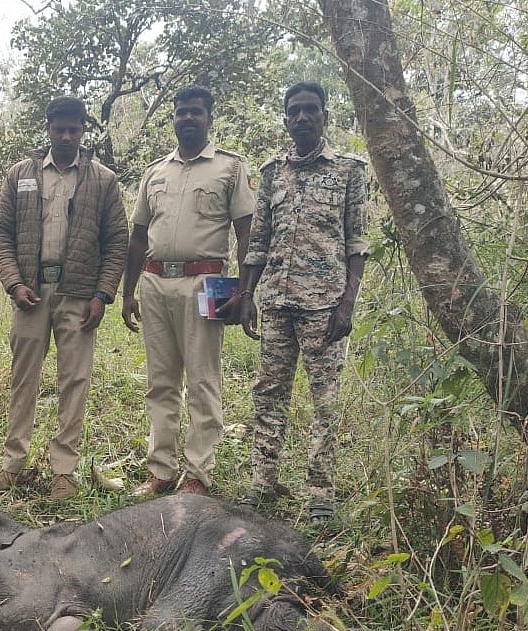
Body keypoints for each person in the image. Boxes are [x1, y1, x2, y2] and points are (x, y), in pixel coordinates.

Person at [235, 82, 369, 523]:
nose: (303, 117)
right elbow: (258, 240)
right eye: (295, 111)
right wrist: (248, 294)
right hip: (276, 301)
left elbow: (357, 244)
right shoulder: (272, 172)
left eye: (311, 109)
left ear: (325, 115)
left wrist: (347, 305)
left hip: (324, 308)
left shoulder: (349, 171)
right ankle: (262, 483)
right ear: (286, 119)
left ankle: (320, 494)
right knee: (268, 394)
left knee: (324, 401)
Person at [0, 96, 128, 501]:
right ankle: (13, 464)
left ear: (84, 130)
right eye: (59, 129)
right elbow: (1, 232)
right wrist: (14, 283)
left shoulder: (103, 179)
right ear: (48, 128)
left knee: (74, 381)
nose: (66, 136)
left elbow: (117, 240)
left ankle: (63, 471)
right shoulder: (20, 174)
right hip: (30, 293)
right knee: (23, 378)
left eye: (74, 129)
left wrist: (102, 294)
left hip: (79, 296)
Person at [121, 85, 254, 497]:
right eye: (181, 112)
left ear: (209, 118)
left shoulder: (230, 168)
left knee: (202, 380)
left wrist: (246, 292)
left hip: (206, 283)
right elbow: (138, 235)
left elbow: (247, 233)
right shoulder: (155, 172)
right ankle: (160, 470)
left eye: (196, 112)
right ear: (174, 118)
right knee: (160, 381)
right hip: (155, 282)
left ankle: (198, 473)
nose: (188, 118)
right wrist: (128, 292)